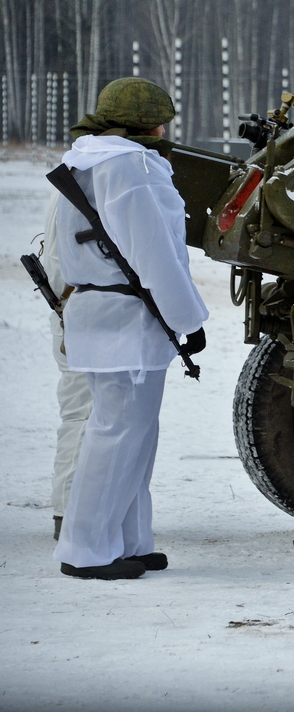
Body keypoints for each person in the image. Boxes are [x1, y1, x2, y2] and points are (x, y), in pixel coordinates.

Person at [52, 77, 209, 580]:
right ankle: (88, 550)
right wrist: (187, 320)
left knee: (131, 434)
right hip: (127, 320)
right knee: (119, 434)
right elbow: (156, 255)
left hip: (101, 314)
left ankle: (129, 542)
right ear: (151, 125)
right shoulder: (134, 166)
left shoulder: (87, 161)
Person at [41, 196, 94, 540]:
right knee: (83, 415)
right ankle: (68, 513)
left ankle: (71, 511)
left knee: (81, 414)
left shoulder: (73, 179)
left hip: (72, 309)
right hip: (77, 311)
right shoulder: (81, 184)